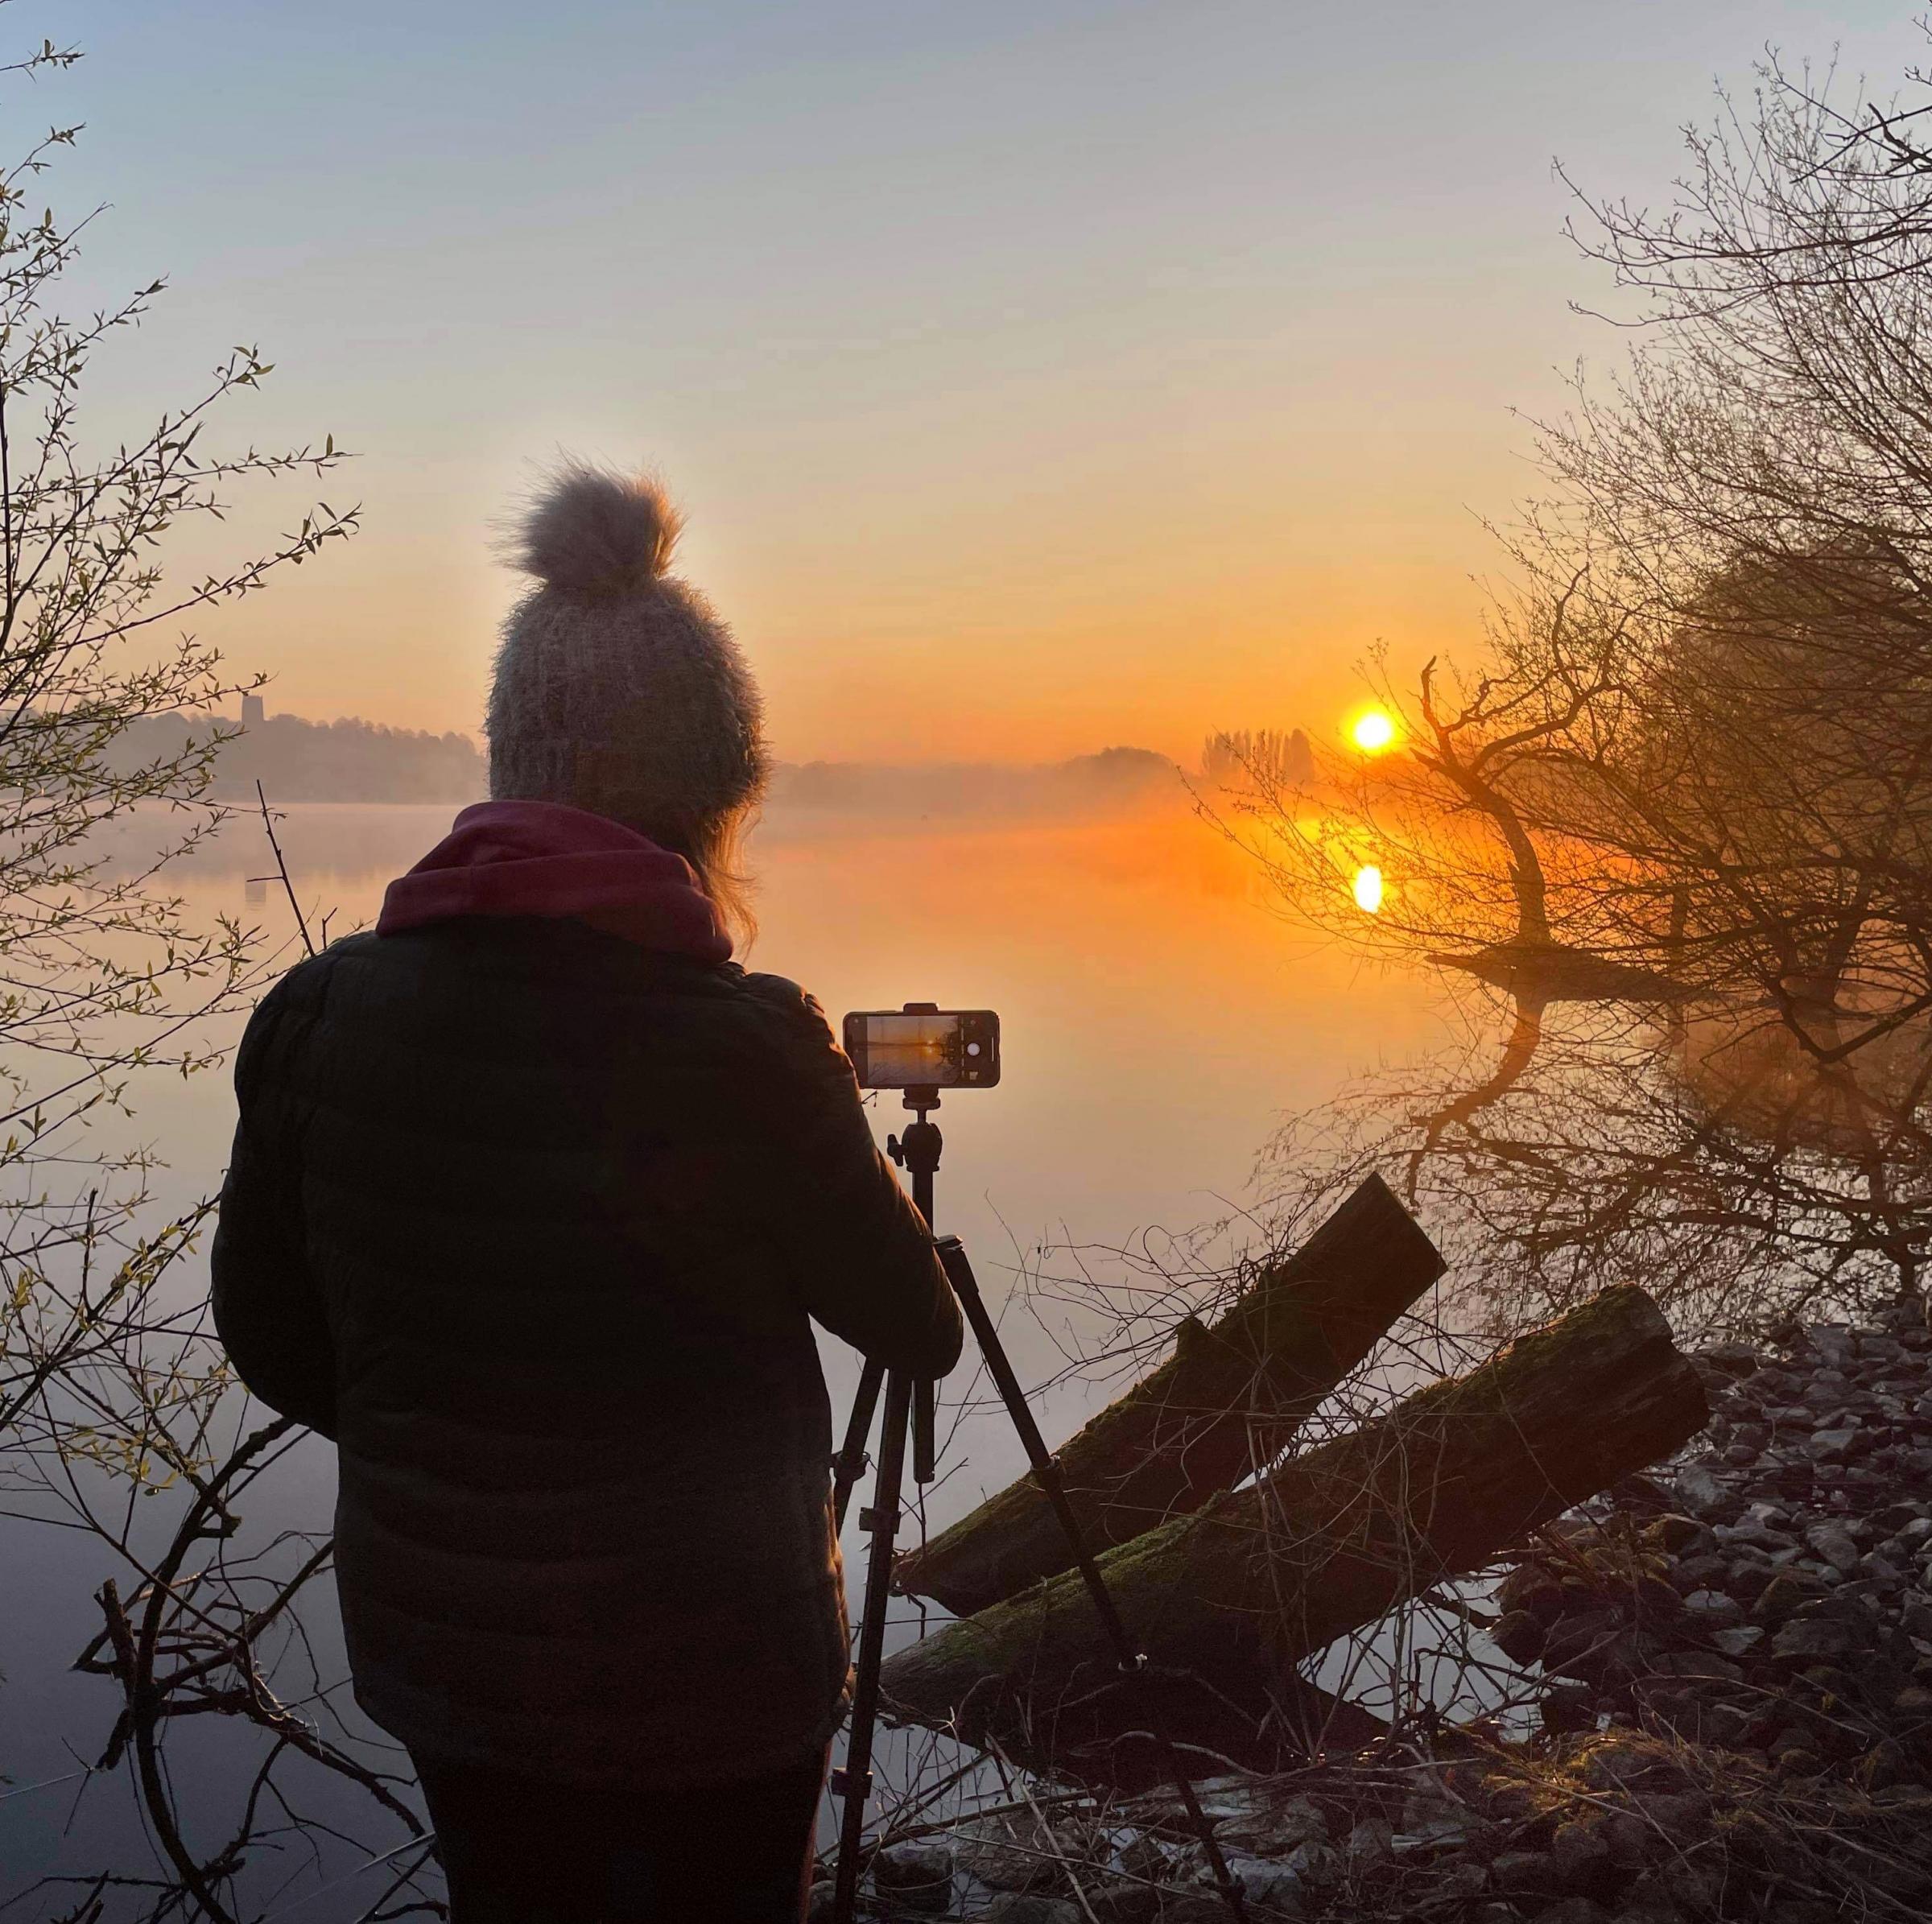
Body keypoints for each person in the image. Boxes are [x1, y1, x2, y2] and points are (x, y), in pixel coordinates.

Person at [210, 464, 964, 1923]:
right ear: (701, 796)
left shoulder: (316, 1016)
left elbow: (273, 1341)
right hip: (714, 1677)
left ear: (512, 766)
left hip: (455, 1664)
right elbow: (918, 1333)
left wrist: (460, 1451)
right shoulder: (751, 1042)